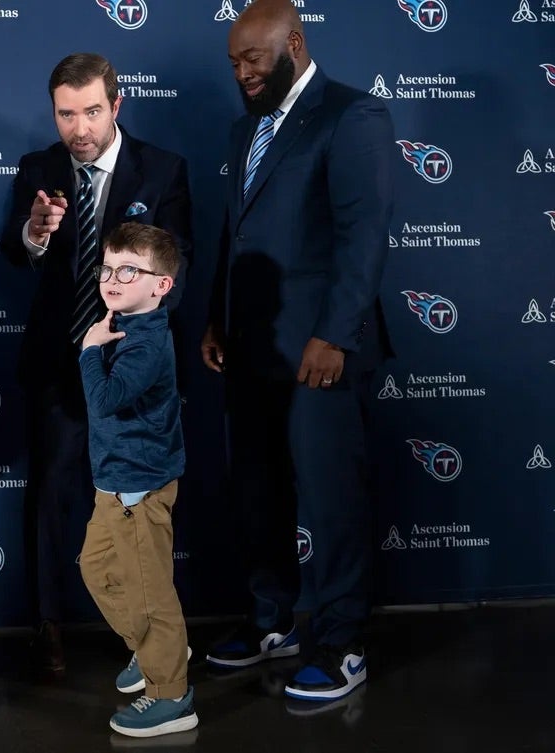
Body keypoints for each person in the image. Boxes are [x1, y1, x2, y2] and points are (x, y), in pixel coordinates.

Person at [201, 0, 394, 703]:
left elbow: (363, 235)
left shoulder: (353, 116)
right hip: (249, 348)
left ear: (295, 43)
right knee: (258, 493)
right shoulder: (242, 129)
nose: (243, 73)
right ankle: (269, 619)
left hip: (320, 349)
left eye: (253, 59)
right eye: (233, 64)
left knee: (332, 497)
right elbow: (237, 230)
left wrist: (336, 333)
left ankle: (341, 643)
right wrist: (216, 319)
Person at [0, 52, 193, 676]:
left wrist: (126, 338)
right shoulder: (39, 169)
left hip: (133, 373)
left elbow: (177, 272)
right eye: (65, 114)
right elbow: (13, 254)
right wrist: (35, 233)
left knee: (134, 507)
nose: (78, 128)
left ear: (116, 106)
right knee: (53, 499)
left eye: (90, 111)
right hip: (59, 368)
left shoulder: (162, 171)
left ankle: (141, 633)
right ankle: (48, 626)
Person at [78, 222, 197, 738]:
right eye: (107, 268)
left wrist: (88, 350)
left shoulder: (145, 343)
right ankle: (155, 648)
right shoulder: (126, 325)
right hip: (114, 480)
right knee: (97, 567)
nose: (112, 279)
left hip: (137, 486)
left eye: (129, 270)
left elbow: (105, 399)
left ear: (160, 284)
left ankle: (171, 694)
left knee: (150, 596)